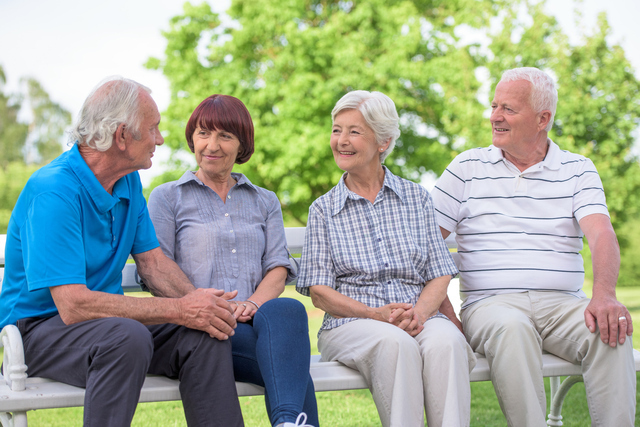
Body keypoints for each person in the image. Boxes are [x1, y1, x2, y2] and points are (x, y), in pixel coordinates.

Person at [0, 77, 244, 426]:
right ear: (122, 136)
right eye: (153, 129)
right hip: (36, 332)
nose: (160, 139)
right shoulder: (53, 191)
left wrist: (201, 307)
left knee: (202, 336)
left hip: (107, 328)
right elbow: (73, 304)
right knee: (126, 337)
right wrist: (179, 309)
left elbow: (154, 263)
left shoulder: (127, 181)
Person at [432, 67, 636, 426]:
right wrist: (445, 308)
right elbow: (426, 242)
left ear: (542, 118)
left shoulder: (578, 169)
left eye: (508, 109)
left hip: (563, 305)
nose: (495, 116)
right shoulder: (466, 168)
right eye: (494, 106)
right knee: (512, 327)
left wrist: (604, 294)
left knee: (611, 329)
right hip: (491, 306)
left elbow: (601, 233)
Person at [296, 90, 476, 427]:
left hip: (415, 315)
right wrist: (374, 314)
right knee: (395, 344)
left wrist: (420, 314)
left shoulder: (415, 197)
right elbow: (319, 292)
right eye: (337, 130)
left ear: (383, 141)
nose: (341, 141)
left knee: (448, 342)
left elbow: (438, 273)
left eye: (354, 131)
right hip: (351, 323)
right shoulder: (323, 209)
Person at [147, 94, 318, 427]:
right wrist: (210, 306)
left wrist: (252, 305)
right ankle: (290, 421)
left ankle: (286, 422)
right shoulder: (167, 197)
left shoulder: (264, 200)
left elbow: (278, 268)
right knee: (291, 367)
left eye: (225, 135)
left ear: (242, 144)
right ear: (191, 138)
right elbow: (157, 270)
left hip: (258, 321)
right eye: (203, 133)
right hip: (202, 327)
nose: (212, 144)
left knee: (289, 309)